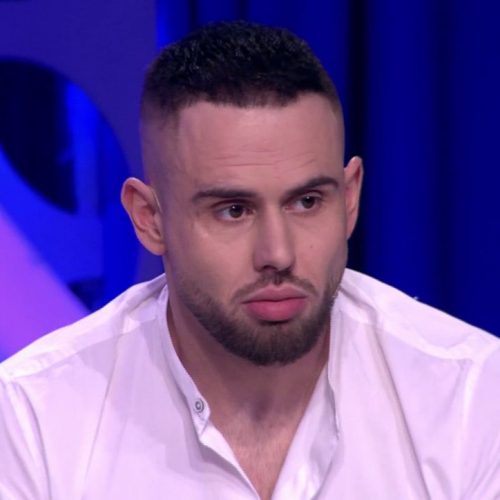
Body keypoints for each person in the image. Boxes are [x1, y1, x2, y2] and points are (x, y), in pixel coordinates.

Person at [1, 20, 499, 500]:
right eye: (233, 210)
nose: (278, 254)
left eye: (307, 202)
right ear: (150, 219)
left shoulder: (471, 398)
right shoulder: (32, 421)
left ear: (349, 199)